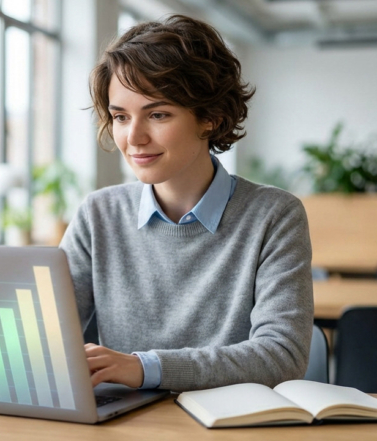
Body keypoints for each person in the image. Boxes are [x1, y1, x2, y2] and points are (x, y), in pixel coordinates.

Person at [59, 15, 314, 392]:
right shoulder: (98, 214)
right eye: (120, 117)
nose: (133, 137)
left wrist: (144, 368)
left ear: (210, 117)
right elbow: (46, 339)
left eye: (157, 114)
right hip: (121, 431)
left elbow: (281, 355)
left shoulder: (274, 216)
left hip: (229, 432)